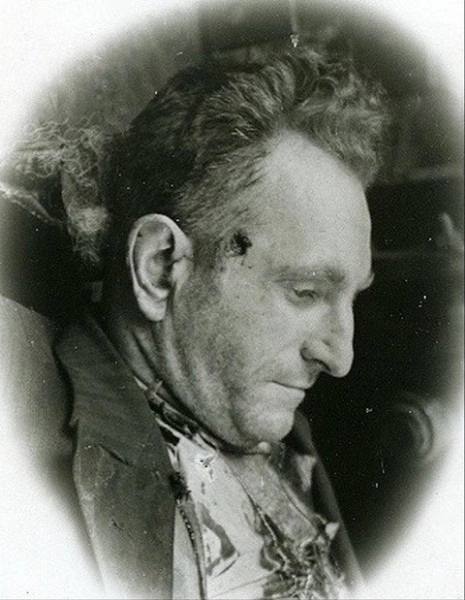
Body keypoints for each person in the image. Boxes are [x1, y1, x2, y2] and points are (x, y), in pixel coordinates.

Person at [55, 47, 388, 599]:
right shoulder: (32, 484)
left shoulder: (255, 407)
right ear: (160, 266)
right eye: (305, 292)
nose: (340, 357)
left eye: (352, 297)